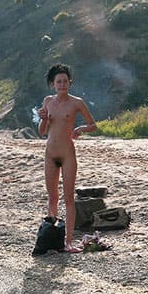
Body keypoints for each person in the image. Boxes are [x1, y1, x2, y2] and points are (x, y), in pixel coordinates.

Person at [38, 63, 96, 253]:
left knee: (69, 198)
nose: (62, 84)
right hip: (50, 154)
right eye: (58, 82)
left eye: (65, 81)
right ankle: (53, 238)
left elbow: (93, 125)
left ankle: (68, 241)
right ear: (53, 84)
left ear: (69, 82)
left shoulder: (77, 102)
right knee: (52, 197)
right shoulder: (48, 101)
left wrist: (80, 129)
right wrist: (44, 119)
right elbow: (42, 131)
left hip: (67, 155)